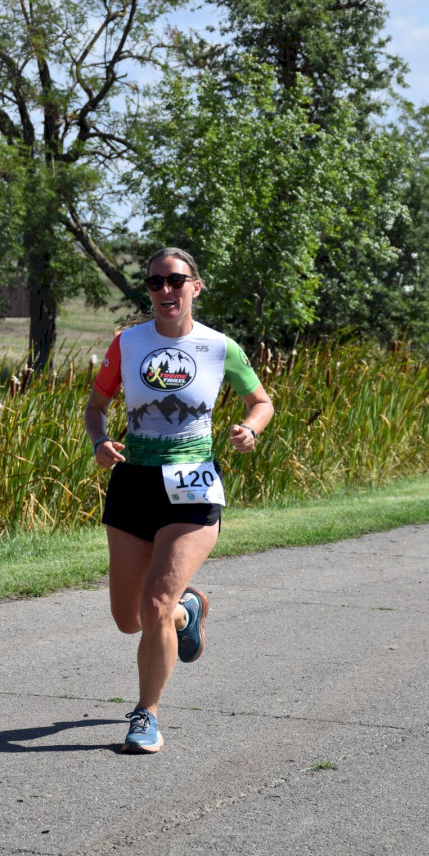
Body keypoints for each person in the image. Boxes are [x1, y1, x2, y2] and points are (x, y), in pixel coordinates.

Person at [84, 247, 274, 753]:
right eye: (155, 282)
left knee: (154, 605)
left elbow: (261, 401)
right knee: (130, 620)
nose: (165, 290)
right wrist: (100, 441)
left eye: (175, 281)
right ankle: (188, 611)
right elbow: (96, 406)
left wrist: (250, 429)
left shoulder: (219, 347)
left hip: (192, 484)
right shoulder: (127, 343)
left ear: (196, 286)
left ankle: (145, 714)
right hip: (133, 482)